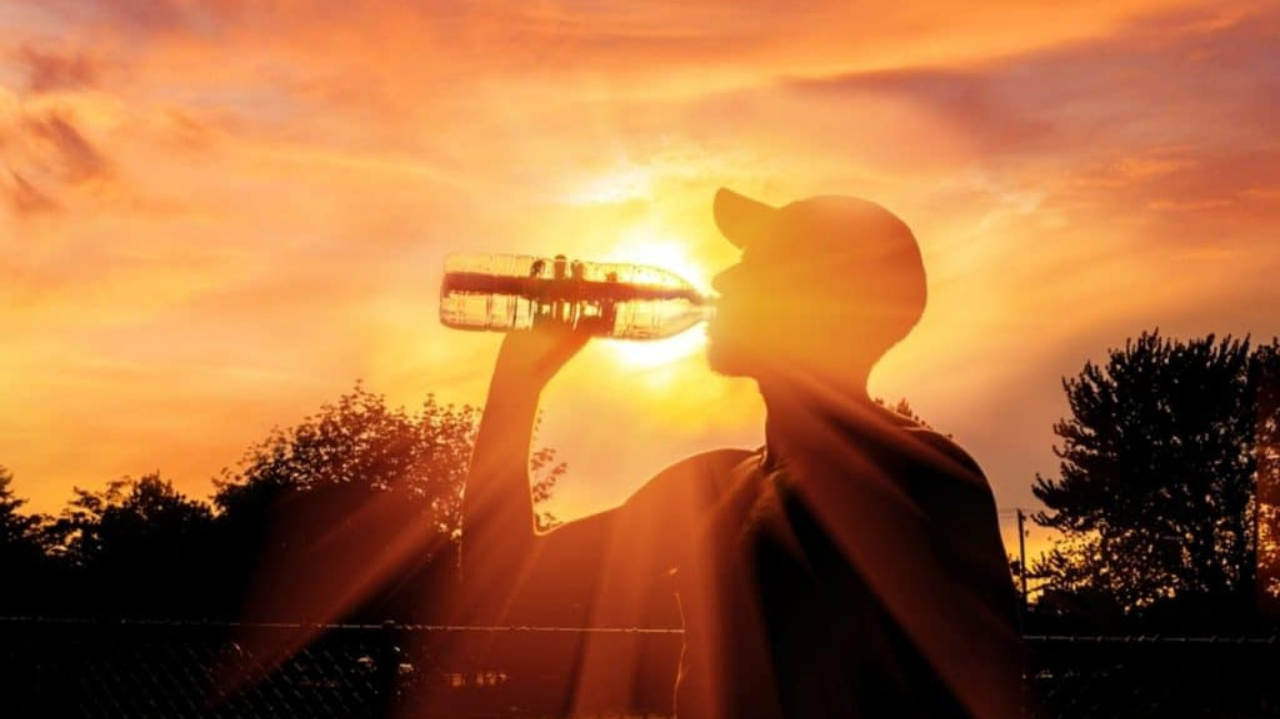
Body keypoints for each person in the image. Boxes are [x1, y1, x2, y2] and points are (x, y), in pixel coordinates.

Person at [456, 188, 1023, 719]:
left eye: (760, 265)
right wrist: (518, 380)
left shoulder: (917, 477)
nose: (723, 278)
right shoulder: (715, 484)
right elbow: (502, 587)